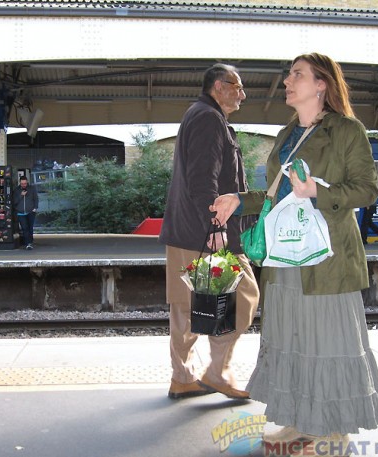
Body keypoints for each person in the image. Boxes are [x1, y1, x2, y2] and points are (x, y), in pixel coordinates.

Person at [210, 53, 378, 454]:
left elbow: (366, 190)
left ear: (321, 84)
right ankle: (301, 422)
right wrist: (237, 201)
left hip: (328, 261)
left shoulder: (347, 130)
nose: (288, 81)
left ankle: (333, 431)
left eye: (297, 75)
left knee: (328, 342)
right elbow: (276, 195)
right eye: (289, 74)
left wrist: (318, 192)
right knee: (293, 338)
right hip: (286, 258)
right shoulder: (287, 133)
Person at [158, 64, 260, 400]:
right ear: (220, 86)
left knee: (188, 306)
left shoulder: (198, 114)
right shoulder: (208, 118)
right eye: (238, 87)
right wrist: (215, 225)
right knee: (242, 296)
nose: (242, 94)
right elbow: (204, 178)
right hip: (207, 232)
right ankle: (216, 372)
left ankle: (185, 376)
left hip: (191, 231)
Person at [13, 176, 38, 250]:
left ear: (27, 182)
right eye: (22, 184)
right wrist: (21, 195)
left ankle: (30, 241)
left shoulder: (32, 189)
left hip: (30, 211)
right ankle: (28, 243)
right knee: (25, 228)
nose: (24, 185)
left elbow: (35, 198)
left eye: (25, 183)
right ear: (20, 183)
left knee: (30, 227)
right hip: (20, 212)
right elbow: (14, 201)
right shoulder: (17, 190)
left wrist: (35, 207)